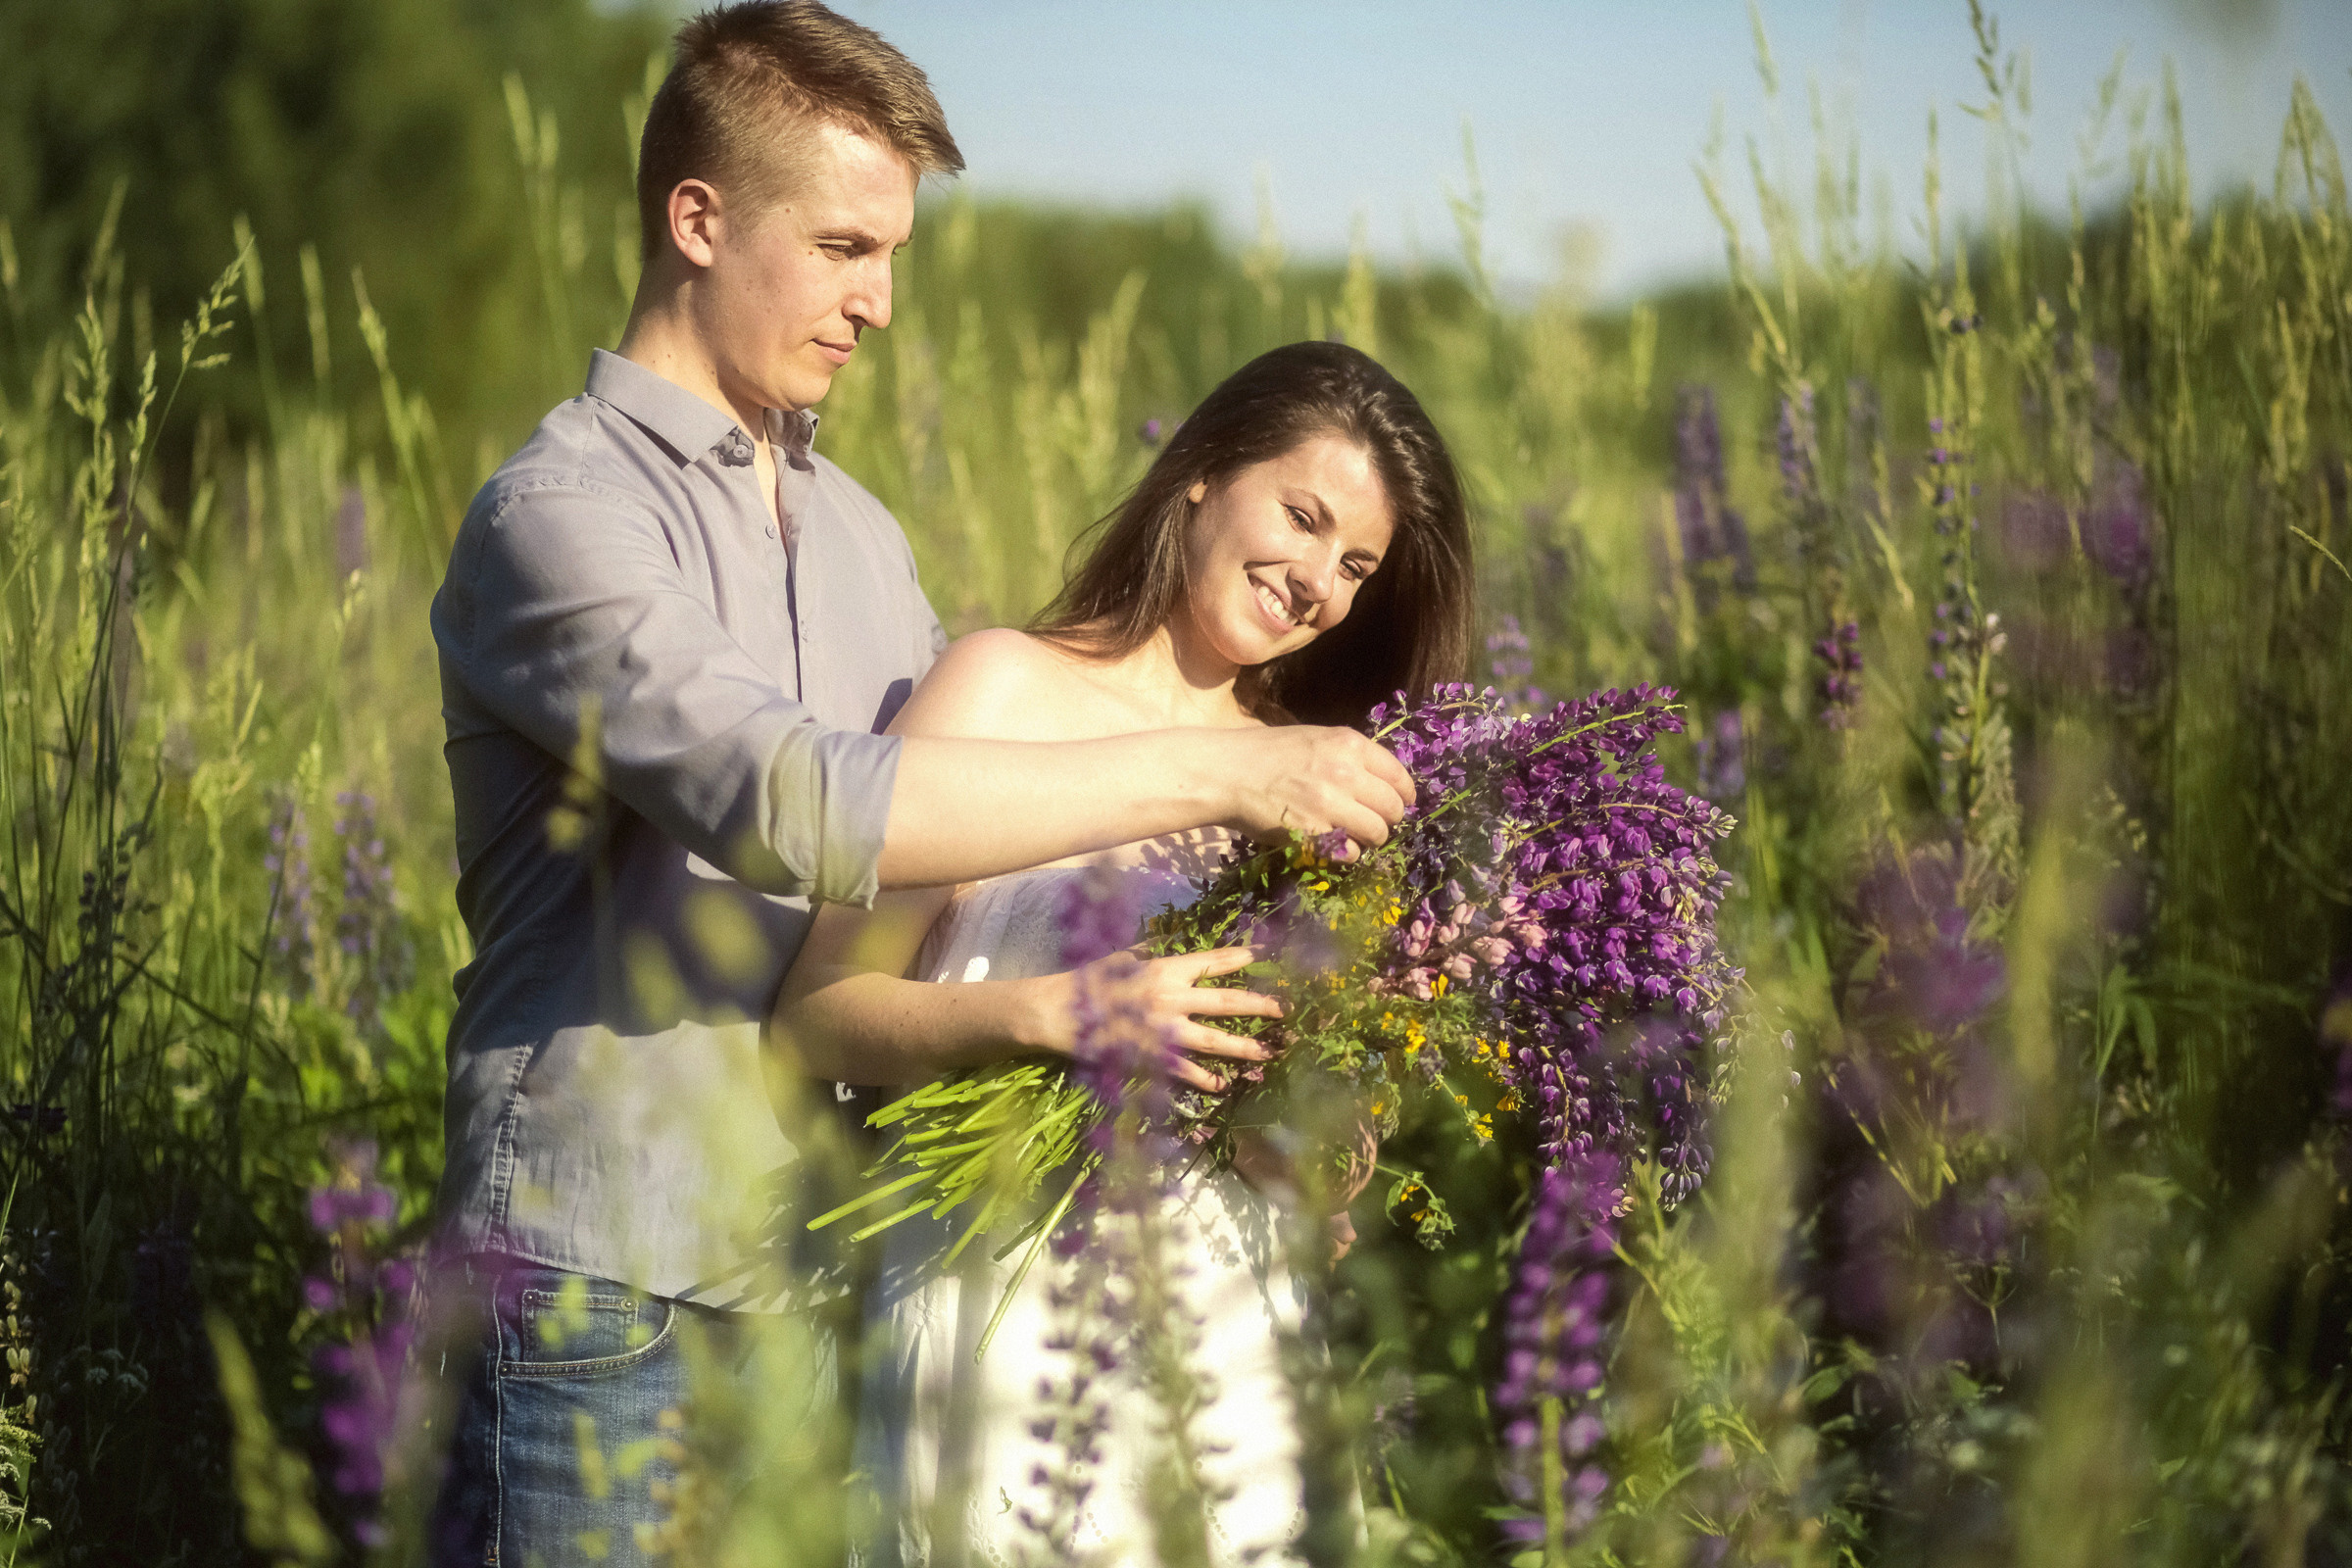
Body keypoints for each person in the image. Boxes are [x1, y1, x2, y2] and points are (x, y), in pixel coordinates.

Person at [422, 3, 1414, 1560]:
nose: (879, 302)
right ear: (698, 220)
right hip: (597, 1275)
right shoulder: (559, 516)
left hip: (802, 1271)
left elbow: (961, 882)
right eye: (843, 248)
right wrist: (1225, 770)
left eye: (891, 255)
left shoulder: (861, 537)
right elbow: (800, 809)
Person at [774, 339, 1474, 1567]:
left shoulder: (1307, 770)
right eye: (1303, 518)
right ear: (1202, 474)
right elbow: (818, 1014)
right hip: (1013, 1322)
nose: (1318, 582)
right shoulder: (1002, 687)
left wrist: (1306, 1135)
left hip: (1230, 1330)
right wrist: (1059, 1014)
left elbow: (1262, 1079)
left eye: (1356, 565)